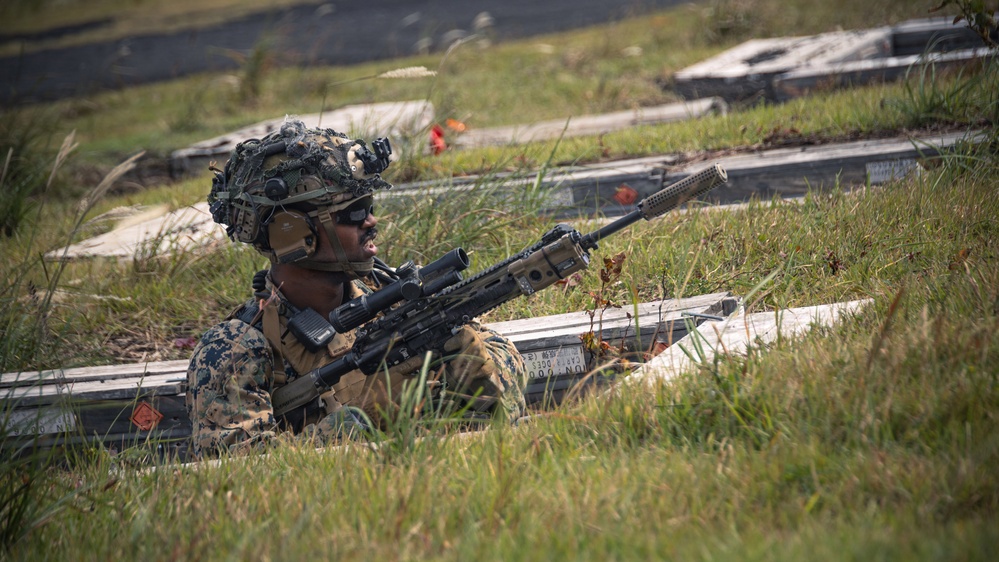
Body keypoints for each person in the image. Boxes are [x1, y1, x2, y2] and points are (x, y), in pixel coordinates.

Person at [186, 119, 526, 457]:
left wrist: (471, 359)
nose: (371, 221)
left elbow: (510, 375)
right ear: (290, 232)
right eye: (353, 213)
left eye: (370, 207)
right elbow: (235, 465)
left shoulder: (393, 296)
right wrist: (350, 427)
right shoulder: (236, 349)